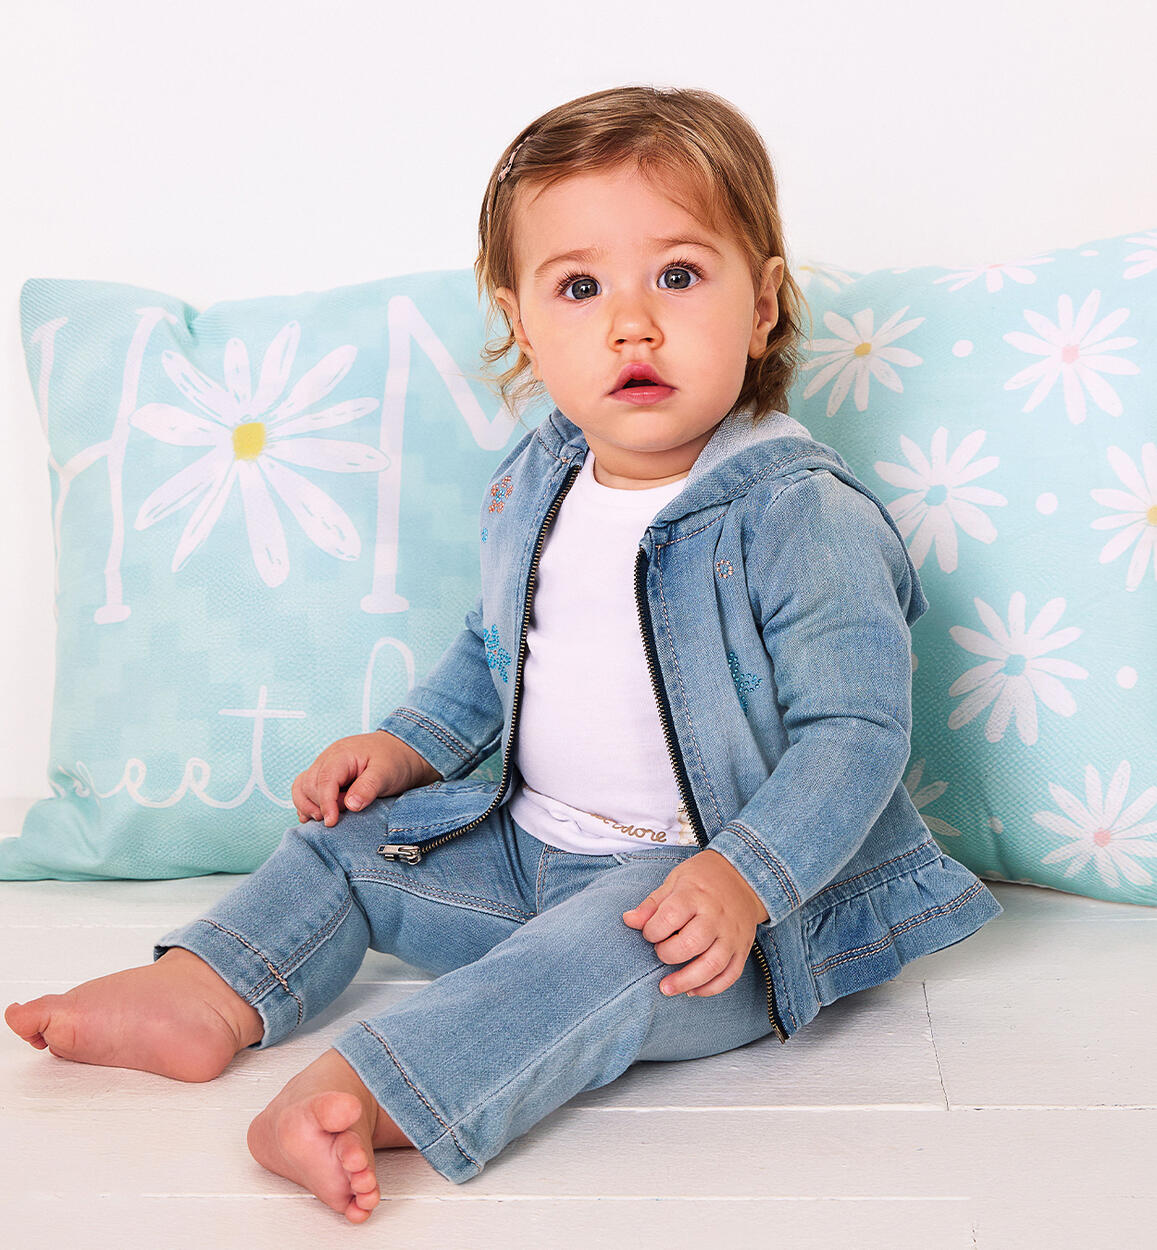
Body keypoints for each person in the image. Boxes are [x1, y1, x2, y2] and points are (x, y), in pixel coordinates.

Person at [5, 85, 1003, 1224]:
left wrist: (744, 877)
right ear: (522, 325)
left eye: (678, 275)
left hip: (711, 914)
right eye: (580, 288)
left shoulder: (797, 512)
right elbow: (493, 653)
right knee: (349, 844)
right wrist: (406, 747)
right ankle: (208, 987)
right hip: (524, 857)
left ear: (763, 303)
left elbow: (854, 735)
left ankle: (369, 1091)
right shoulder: (540, 477)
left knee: (588, 965)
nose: (632, 325)